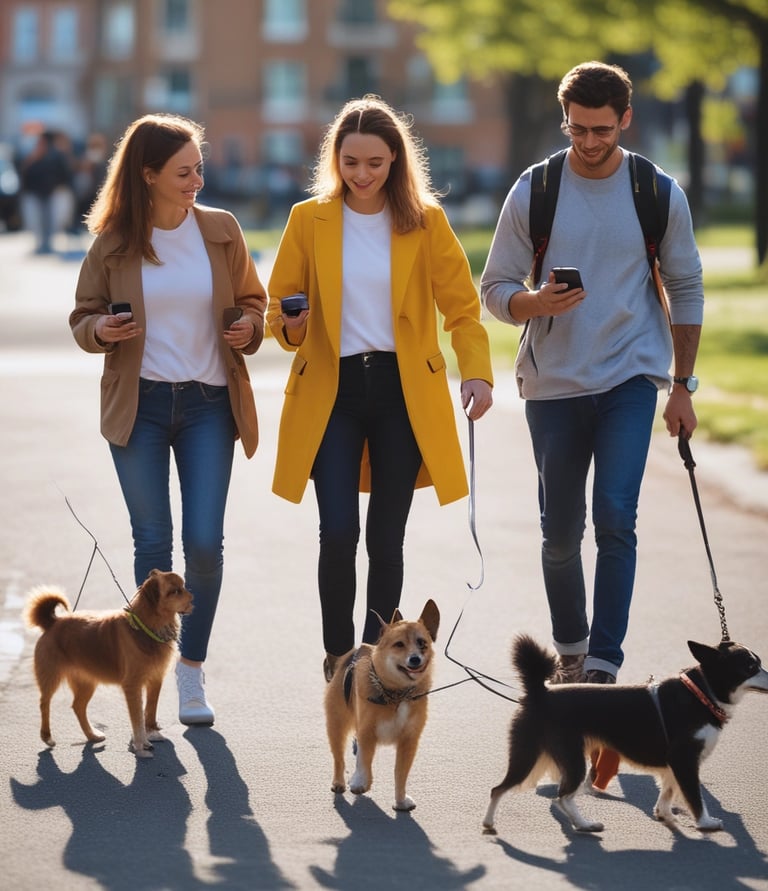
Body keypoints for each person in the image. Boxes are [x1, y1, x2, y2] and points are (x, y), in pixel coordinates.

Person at [482, 61, 704, 686]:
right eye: (576, 128)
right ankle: (572, 649)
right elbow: (494, 287)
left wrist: (683, 386)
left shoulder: (656, 192)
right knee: (559, 532)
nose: (587, 141)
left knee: (614, 514)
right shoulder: (536, 189)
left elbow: (686, 287)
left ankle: (603, 664)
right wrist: (533, 303)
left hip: (631, 379)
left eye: (600, 129)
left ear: (624, 120)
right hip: (553, 385)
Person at [266, 95, 494, 681]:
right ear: (335, 160)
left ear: (395, 160)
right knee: (338, 531)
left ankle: (375, 658)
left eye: (374, 163)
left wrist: (476, 372)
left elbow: (463, 311)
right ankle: (340, 658)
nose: (362, 175)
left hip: (401, 394)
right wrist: (291, 325)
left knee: (386, 537)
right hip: (332, 393)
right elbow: (277, 312)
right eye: (350, 163)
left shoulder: (426, 221)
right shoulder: (307, 219)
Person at [70, 113, 267, 724]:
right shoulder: (113, 243)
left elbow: (255, 304)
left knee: (205, 544)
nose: (197, 182)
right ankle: (148, 667)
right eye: (184, 172)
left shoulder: (222, 231)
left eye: (199, 169)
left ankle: (190, 671)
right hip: (142, 407)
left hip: (210, 404)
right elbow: (83, 317)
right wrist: (101, 329)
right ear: (148, 175)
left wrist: (249, 326)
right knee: (154, 543)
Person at [20, 129, 73, 253]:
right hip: (36, 193)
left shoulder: (56, 155)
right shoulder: (33, 156)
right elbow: (25, 174)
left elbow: (64, 174)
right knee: (38, 221)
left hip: (52, 192)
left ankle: (48, 243)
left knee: (51, 220)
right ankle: (42, 243)